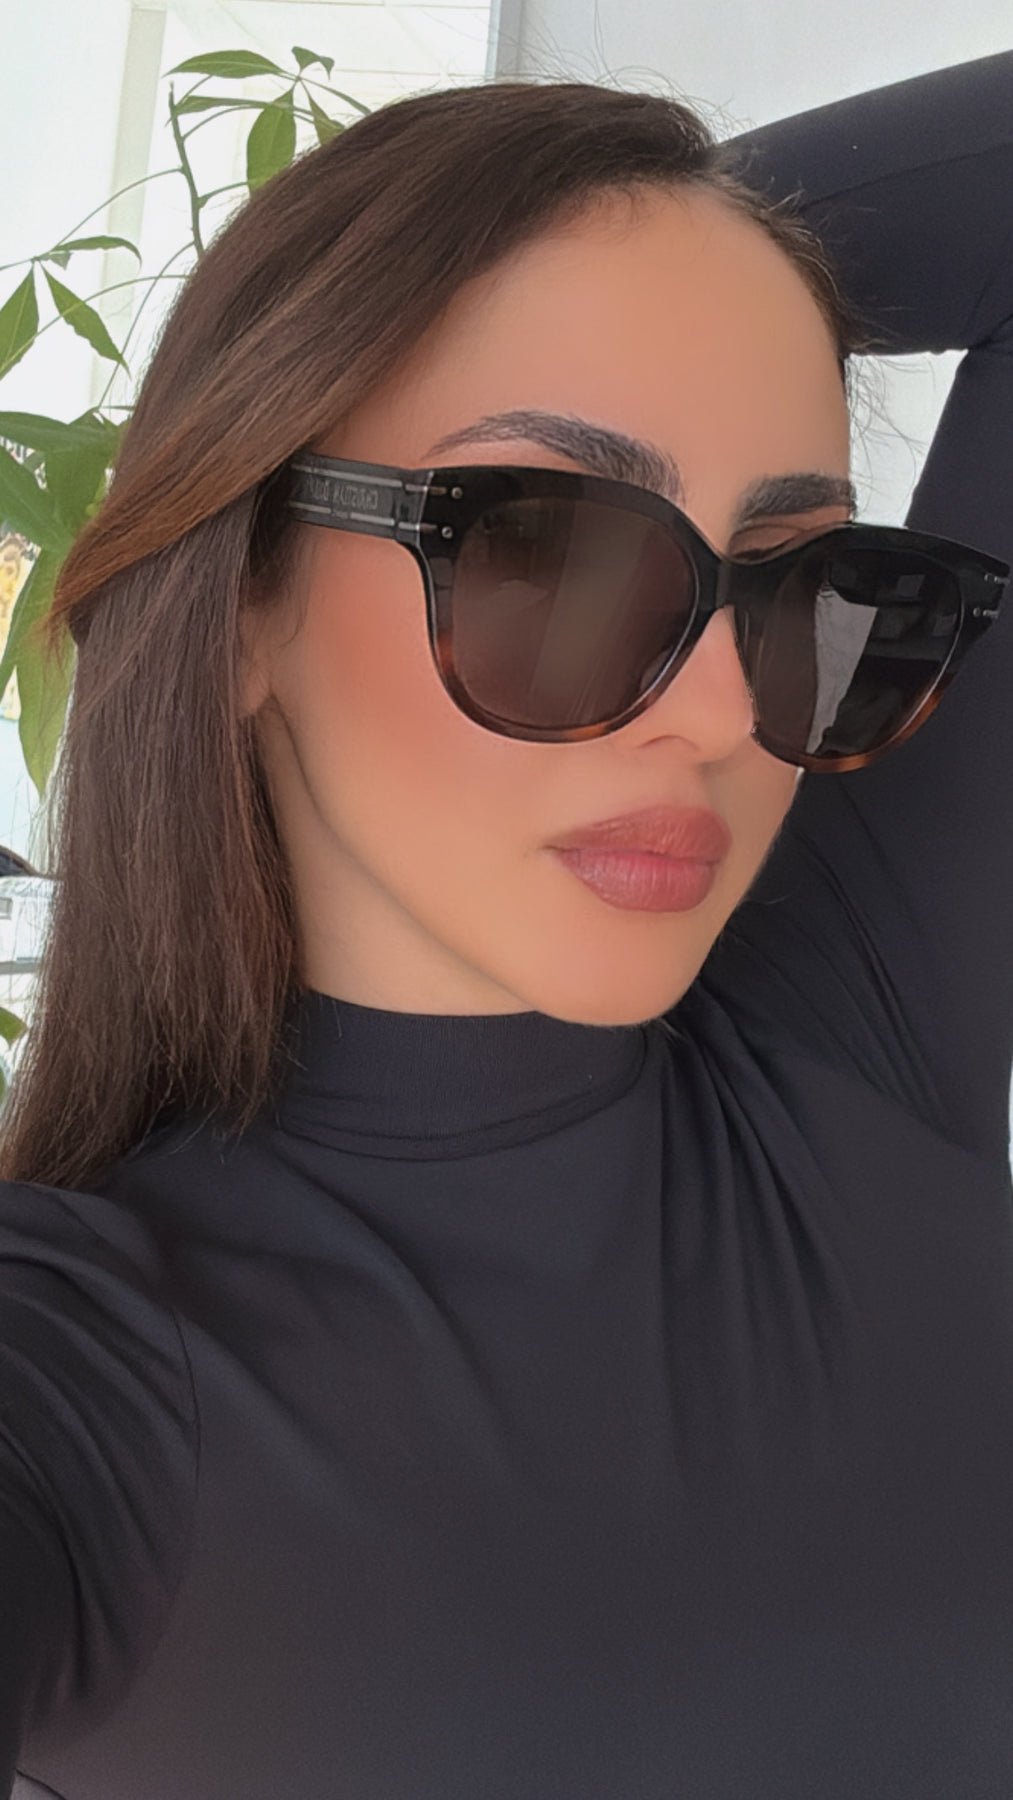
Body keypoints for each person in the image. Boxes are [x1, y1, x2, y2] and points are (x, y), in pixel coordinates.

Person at [0, 45, 1010, 1800]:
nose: (720, 714)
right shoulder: (78, 1380)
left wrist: (679, 226)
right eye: (543, 552)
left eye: (794, 586)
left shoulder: (853, 1030)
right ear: (237, 605)